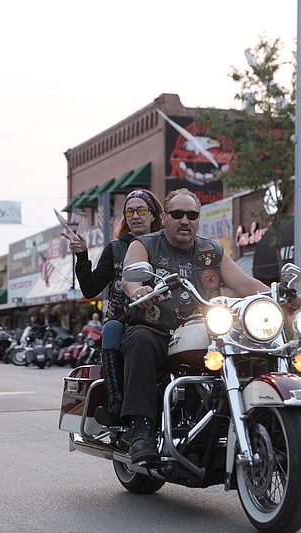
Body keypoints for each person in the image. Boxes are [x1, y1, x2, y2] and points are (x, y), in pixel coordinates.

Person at [120, 188, 287, 464]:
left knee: (257, 346)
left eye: (192, 215)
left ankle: (266, 423)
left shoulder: (212, 251)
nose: (184, 220)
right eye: (177, 214)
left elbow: (245, 284)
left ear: (199, 219)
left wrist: (279, 295)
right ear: (164, 218)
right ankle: (142, 430)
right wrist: (137, 289)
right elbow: (131, 274)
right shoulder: (145, 245)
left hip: (205, 332)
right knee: (139, 340)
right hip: (158, 331)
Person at [61, 188, 163, 425]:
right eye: (129, 212)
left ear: (153, 215)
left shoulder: (165, 246)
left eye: (141, 210)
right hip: (124, 322)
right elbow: (90, 289)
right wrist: (82, 255)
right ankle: (116, 402)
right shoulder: (115, 248)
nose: (135, 216)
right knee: (111, 328)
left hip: (161, 320)